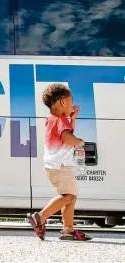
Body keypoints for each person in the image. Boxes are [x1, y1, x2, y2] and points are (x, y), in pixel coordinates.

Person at [27, 83, 91, 241]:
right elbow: (67, 138)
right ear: (63, 102)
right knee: (68, 195)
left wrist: (73, 119)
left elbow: (66, 132)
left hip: (55, 165)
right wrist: (79, 141)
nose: (72, 104)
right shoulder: (61, 120)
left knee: (70, 196)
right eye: (71, 100)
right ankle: (40, 217)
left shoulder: (52, 119)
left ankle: (68, 230)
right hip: (61, 165)